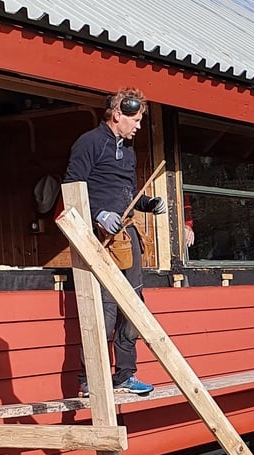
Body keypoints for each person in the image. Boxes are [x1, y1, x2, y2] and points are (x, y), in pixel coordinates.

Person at [64, 88, 166, 397]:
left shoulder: (129, 150)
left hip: (126, 235)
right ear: (118, 113)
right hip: (100, 237)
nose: (138, 126)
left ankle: (125, 374)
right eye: (135, 119)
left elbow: (126, 194)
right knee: (106, 310)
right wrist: (98, 214)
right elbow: (71, 187)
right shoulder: (89, 143)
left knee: (133, 306)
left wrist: (146, 204)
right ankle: (89, 378)